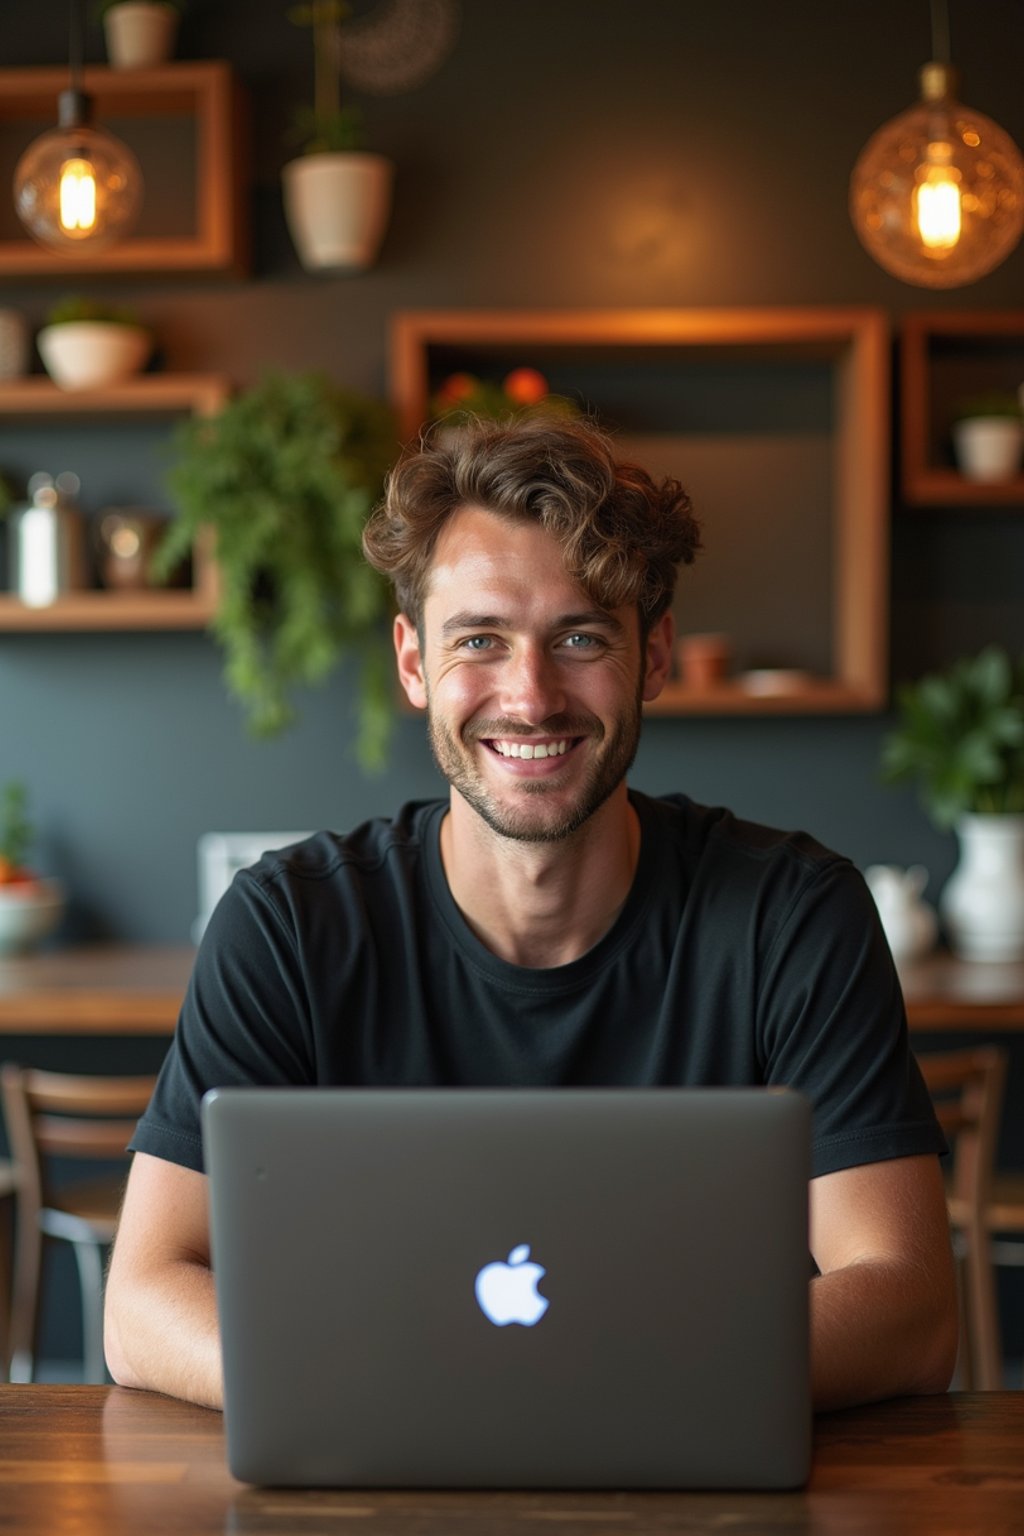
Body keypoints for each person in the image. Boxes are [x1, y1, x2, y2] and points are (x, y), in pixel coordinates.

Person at [104, 413, 957, 1413]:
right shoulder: (290, 925)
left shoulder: (793, 915)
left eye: (581, 637)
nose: (531, 694)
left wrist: (567, 1390)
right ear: (415, 664)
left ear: (654, 657)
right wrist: (409, 1396)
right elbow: (142, 1301)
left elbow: (907, 1306)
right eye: (479, 640)